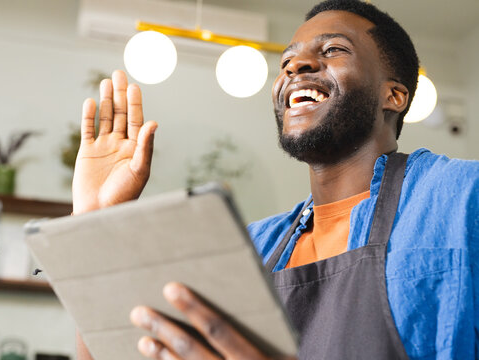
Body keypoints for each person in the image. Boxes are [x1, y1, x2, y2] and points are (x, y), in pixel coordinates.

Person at [73, 0, 479, 359]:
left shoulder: (464, 197)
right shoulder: (249, 247)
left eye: (333, 49)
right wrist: (93, 222)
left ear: (395, 95)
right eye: (286, 62)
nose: (296, 67)